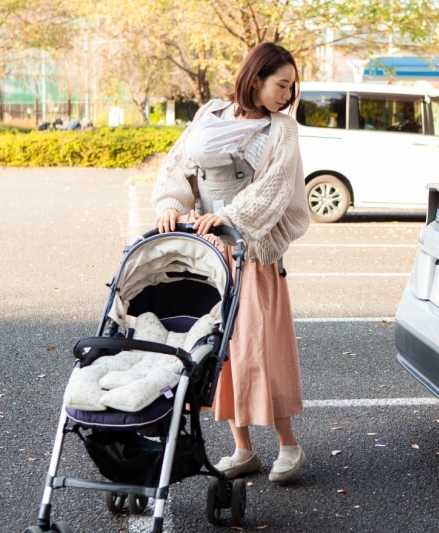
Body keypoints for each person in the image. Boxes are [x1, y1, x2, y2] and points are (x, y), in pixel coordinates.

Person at [151, 42, 311, 484]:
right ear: (256, 77)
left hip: (251, 252)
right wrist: (170, 203)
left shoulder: (282, 130)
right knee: (218, 353)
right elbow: (180, 165)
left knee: (259, 351)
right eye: (281, 84)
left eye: (291, 87)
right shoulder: (209, 114)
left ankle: (288, 446)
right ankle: (242, 449)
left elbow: (277, 188)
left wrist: (231, 217)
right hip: (206, 253)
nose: (287, 94)